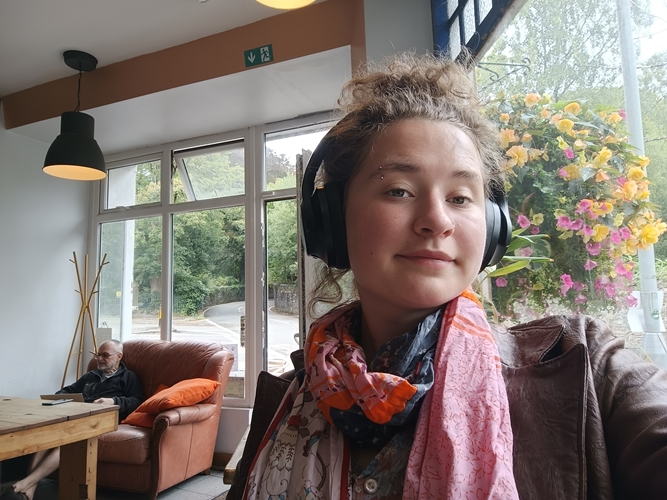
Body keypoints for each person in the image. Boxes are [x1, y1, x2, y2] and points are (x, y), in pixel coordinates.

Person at [230, 53, 667, 500]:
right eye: (398, 190)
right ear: (332, 222)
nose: (437, 221)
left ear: (492, 228)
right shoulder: (284, 400)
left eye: (460, 198)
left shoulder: (587, 367)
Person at [1, 340, 144, 500]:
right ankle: (30, 489)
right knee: (48, 437)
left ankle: (25, 484)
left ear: (119, 356)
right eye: (98, 355)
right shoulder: (91, 375)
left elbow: (137, 401)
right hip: (78, 416)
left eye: (105, 355)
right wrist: (59, 398)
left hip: (101, 420)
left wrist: (114, 401)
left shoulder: (129, 377)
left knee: (66, 441)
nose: (99, 359)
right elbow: (67, 390)